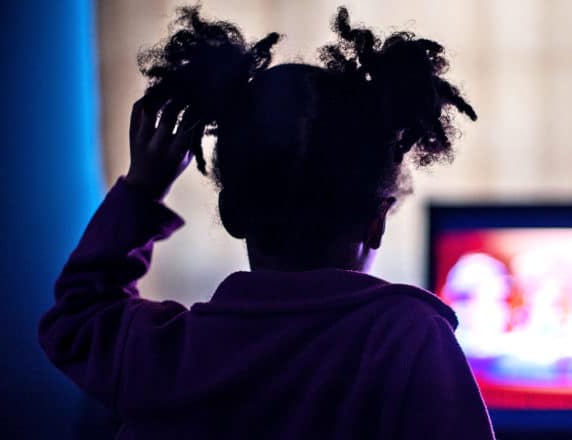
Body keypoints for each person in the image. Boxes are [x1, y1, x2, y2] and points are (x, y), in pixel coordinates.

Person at [38, 5, 494, 439]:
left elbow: (78, 314)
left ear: (231, 212)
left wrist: (141, 189)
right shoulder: (409, 339)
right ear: (376, 222)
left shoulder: (164, 354)